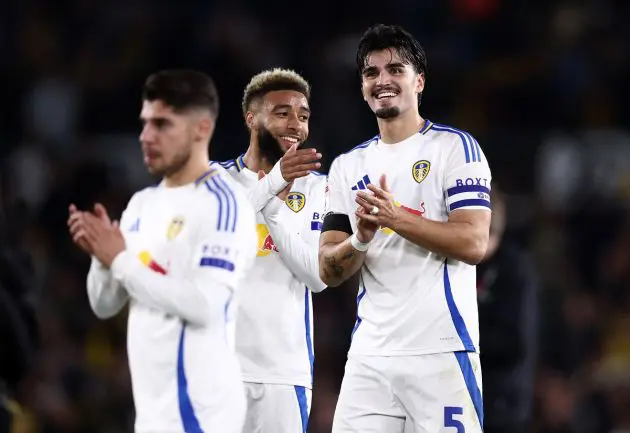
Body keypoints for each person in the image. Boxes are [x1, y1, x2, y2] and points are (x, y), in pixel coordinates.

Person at [319, 24, 492, 432]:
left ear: (419, 81)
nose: (382, 80)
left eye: (395, 69)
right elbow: (329, 270)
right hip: (369, 359)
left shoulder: (454, 147)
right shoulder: (347, 167)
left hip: (441, 354)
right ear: (362, 88)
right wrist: (360, 239)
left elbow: (473, 241)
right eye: (371, 72)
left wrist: (395, 218)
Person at [67, 70, 258, 433]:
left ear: (201, 129)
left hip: (201, 416)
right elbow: (104, 304)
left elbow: (205, 304)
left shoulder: (224, 204)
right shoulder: (142, 204)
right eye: (144, 124)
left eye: (162, 124)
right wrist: (101, 257)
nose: (146, 137)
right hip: (153, 418)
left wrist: (120, 259)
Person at [215, 68, 326, 433]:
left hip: (284, 374)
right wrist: (274, 183)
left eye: (304, 116)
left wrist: (273, 205)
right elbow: (218, 235)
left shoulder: (318, 190)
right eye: (283, 113)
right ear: (252, 118)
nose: (296, 124)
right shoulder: (215, 179)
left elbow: (317, 276)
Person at [477, 187, 538, 433]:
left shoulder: (516, 270)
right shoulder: (460, 263)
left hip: (502, 405)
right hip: (462, 398)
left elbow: (516, 342)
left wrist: (458, 339)